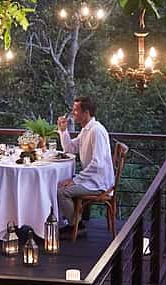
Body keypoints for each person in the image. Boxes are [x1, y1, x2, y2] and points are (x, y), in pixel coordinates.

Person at [56, 96, 114, 235]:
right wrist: (63, 131)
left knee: (61, 192)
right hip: (90, 179)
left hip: (99, 183)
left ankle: (77, 225)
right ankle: (72, 221)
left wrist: (74, 180)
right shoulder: (86, 130)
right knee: (58, 184)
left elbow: (97, 164)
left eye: (76, 110)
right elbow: (70, 149)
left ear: (86, 112)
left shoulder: (96, 131)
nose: (72, 113)